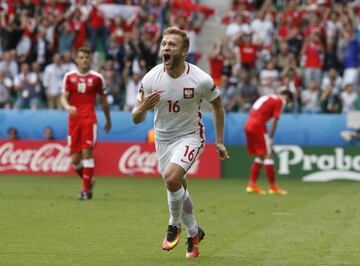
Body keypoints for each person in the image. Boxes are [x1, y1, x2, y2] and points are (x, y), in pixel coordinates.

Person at [131, 27, 229, 259]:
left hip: (190, 136)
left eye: (171, 45)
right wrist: (142, 108)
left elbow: (217, 106)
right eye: (164, 44)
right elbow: (136, 118)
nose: (165, 48)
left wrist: (220, 141)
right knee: (178, 188)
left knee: (172, 178)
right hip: (163, 138)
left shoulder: (200, 79)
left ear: (184, 51)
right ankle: (194, 233)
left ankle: (174, 224)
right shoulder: (151, 78)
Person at [60, 46, 112, 200]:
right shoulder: (69, 77)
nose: (84, 60)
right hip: (73, 120)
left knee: (87, 153)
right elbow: (64, 96)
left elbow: (103, 101)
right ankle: (89, 180)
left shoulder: (97, 78)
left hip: (89, 119)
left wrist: (108, 120)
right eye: (81, 57)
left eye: (86, 58)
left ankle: (84, 191)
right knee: (75, 160)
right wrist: (67, 106)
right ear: (76, 60)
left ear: (90, 60)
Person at [244, 90, 294, 195]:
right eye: (288, 100)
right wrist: (270, 137)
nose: (286, 103)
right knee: (268, 154)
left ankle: (252, 184)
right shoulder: (280, 100)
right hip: (258, 126)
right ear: (286, 96)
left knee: (260, 155)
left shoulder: (268, 97)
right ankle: (273, 187)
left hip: (248, 125)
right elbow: (275, 120)